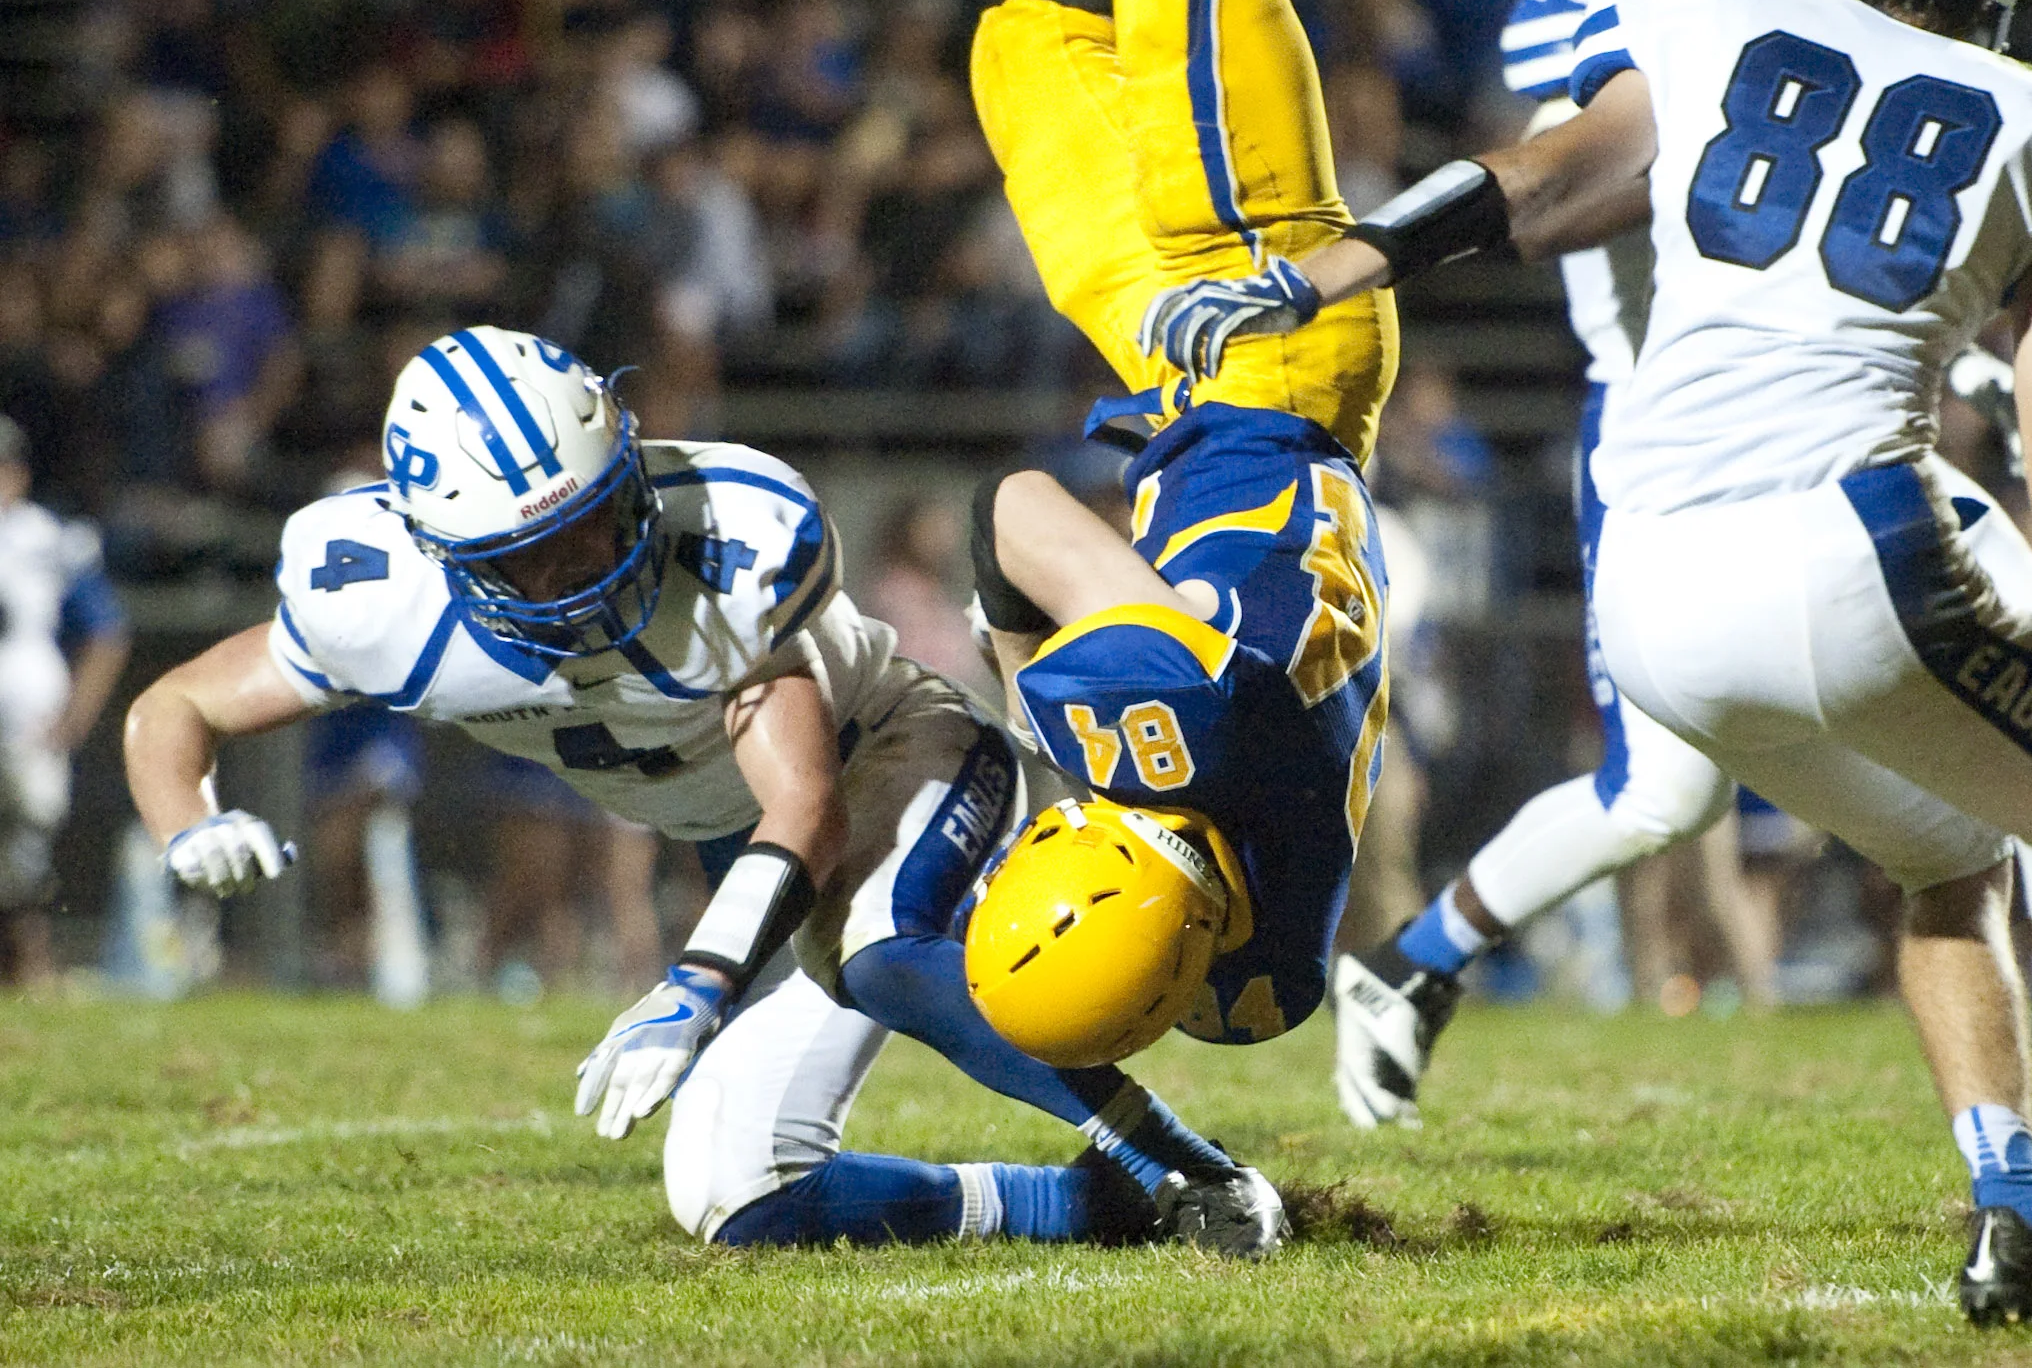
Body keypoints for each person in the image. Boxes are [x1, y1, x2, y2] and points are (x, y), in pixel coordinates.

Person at [1146, 0, 2032, 1326]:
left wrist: (1319, 273)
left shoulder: (1692, 12)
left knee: (1944, 860)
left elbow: (1534, 179)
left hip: (1648, 583)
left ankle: (2016, 1220)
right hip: (1851, 549)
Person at [121, 328, 1279, 1255]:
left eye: (594, 521)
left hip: (893, 754)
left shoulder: (734, 538)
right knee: (736, 1193)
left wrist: (693, 981)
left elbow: (808, 806)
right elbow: (173, 705)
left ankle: (1189, 1166)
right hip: (753, 868)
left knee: (877, 946)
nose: (584, 571)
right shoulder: (375, 602)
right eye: (532, 557)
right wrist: (186, 820)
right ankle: (1097, 1206)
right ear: (441, 551)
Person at [948, 0, 1520, 1070]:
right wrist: (1027, 701)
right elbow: (1009, 513)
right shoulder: (1173, 722)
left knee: (1026, 54)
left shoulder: (1254, 977)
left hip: (1180, 392)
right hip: (1269, 354)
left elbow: (1183, 997)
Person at [1331, 0, 1826, 1127]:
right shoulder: (1608, 11)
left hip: (1821, 420)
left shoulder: (1838, 12)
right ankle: (1415, 963)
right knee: (1658, 795)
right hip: (1667, 443)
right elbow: (1568, 184)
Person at [0, 414, 130, 983]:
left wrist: (78, 714)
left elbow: (105, 631)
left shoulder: (47, 538)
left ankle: (32, 963)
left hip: (27, 714)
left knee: (28, 842)